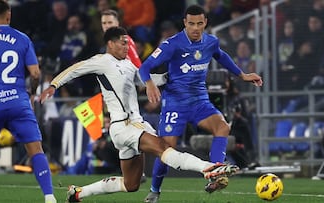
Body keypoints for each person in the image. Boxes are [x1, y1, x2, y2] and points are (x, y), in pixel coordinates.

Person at [40, 26, 239, 203]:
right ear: (110, 44)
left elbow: (148, 80)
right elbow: (76, 69)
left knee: (131, 184)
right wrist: (54, 85)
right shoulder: (102, 61)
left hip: (132, 125)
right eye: (123, 43)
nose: (127, 47)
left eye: (128, 43)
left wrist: (172, 76)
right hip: (124, 125)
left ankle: (78, 193)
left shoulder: (128, 65)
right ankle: (209, 168)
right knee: (163, 147)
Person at [138, 5, 263, 203]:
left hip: (199, 101)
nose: (195, 28)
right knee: (167, 149)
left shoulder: (211, 42)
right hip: (175, 104)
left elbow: (221, 56)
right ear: (184, 23)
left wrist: (242, 75)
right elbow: (144, 68)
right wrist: (150, 84)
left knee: (222, 127)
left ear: (205, 23)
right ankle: (155, 190)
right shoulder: (172, 44)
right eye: (191, 24)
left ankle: (215, 173)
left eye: (199, 23)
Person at [0, 1, 57, 203]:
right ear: (9, 15)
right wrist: (33, 92)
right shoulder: (22, 38)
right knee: (35, 149)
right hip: (18, 102)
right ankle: (49, 196)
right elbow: (35, 73)